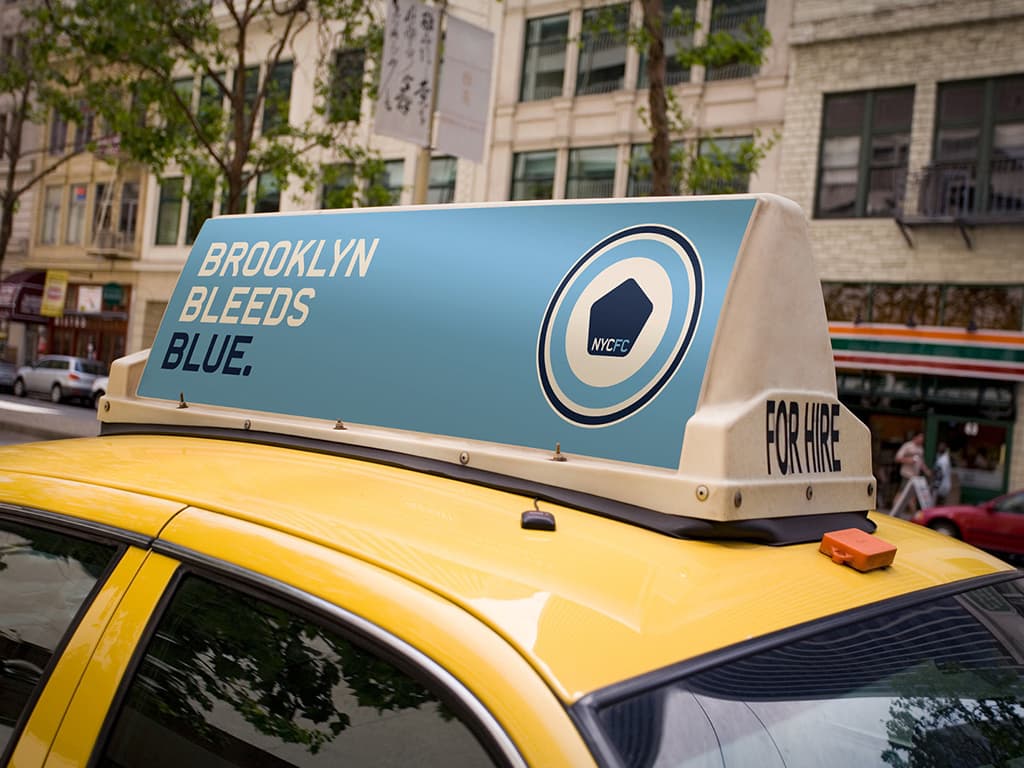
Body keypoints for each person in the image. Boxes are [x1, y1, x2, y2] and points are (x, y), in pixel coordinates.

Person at [895, 432, 931, 515]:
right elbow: (897, 458)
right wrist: (909, 460)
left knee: (912, 496)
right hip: (907, 474)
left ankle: (912, 514)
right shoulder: (907, 446)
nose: (922, 440)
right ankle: (896, 511)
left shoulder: (920, 448)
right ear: (916, 437)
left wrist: (926, 470)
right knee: (902, 493)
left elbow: (921, 462)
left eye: (923, 439)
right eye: (920, 438)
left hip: (915, 477)